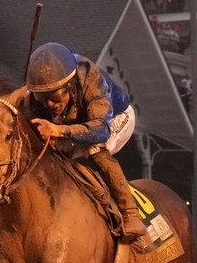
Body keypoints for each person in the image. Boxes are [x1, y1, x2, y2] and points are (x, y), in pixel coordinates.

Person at [24, 42, 151, 251]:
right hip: (76, 124)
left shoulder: (91, 79)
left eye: (54, 96)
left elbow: (101, 129)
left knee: (95, 149)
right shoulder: (36, 97)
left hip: (114, 119)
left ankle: (131, 215)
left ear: (69, 84)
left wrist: (59, 131)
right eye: (42, 97)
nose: (49, 104)